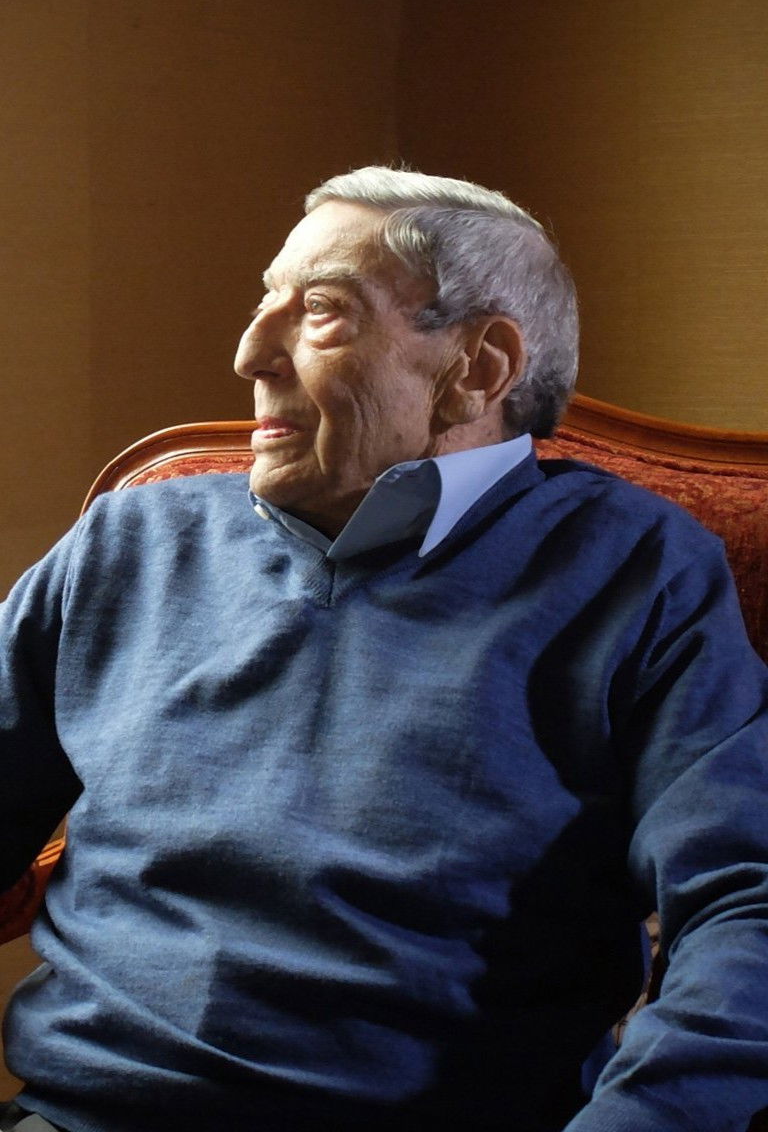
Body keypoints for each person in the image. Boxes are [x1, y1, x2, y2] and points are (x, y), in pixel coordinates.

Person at [1, 166, 767, 1132]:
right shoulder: (134, 542)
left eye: (321, 311)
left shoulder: (634, 571)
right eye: (264, 303)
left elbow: (746, 906)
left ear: (479, 368)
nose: (249, 354)